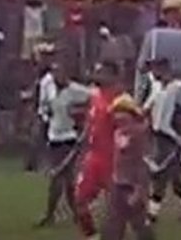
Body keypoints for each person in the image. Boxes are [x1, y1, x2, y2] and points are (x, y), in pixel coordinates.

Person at [35, 61, 92, 227]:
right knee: (66, 179)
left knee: (60, 177)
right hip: (54, 136)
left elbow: (93, 98)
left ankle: (52, 214)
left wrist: (81, 114)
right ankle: (75, 213)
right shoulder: (49, 88)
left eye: (60, 73)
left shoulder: (75, 90)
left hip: (69, 137)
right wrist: (46, 115)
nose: (57, 77)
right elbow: (43, 107)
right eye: (55, 73)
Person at [143, 58, 181, 222]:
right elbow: (147, 107)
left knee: (160, 173)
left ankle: (152, 213)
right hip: (159, 135)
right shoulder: (158, 87)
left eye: (156, 68)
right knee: (173, 175)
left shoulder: (178, 87)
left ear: (165, 69)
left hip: (171, 137)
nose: (153, 72)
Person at [74, 61, 123, 239]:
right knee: (80, 200)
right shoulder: (95, 96)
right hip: (94, 158)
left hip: (113, 159)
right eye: (97, 72)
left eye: (101, 73)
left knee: (118, 209)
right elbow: (91, 121)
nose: (97, 76)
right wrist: (83, 140)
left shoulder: (120, 100)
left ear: (113, 76)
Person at [102, 94, 154, 240]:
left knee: (139, 224)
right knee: (113, 225)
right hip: (118, 183)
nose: (117, 118)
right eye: (116, 114)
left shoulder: (138, 133)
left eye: (121, 114)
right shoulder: (118, 132)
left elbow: (142, 162)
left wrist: (139, 189)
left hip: (132, 185)